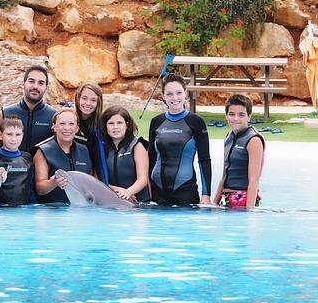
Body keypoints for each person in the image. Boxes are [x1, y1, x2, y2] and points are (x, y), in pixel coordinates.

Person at [148, 73, 212, 206]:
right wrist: (146, 189)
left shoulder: (196, 122)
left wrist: (206, 194)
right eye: (169, 94)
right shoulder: (156, 122)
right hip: (156, 191)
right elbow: (151, 158)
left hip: (185, 191)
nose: (175, 98)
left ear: (185, 93)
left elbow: (204, 160)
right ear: (163, 96)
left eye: (179, 93)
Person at [213, 95, 265, 208]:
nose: (236, 118)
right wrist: (214, 203)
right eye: (231, 114)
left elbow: (254, 179)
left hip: (244, 200)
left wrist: (249, 212)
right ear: (226, 116)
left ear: (249, 117)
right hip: (226, 199)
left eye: (241, 115)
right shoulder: (229, 137)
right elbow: (224, 175)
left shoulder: (253, 140)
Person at [0, 65, 57, 153]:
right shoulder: (5, 113)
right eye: (31, 81)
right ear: (23, 83)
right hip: (11, 166)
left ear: (46, 87)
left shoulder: (54, 116)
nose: (35, 86)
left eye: (41, 83)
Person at [33, 108, 92, 204]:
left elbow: (92, 182)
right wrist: (54, 182)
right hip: (54, 210)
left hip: (82, 209)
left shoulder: (85, 150)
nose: (67, 128)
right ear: (54, 127)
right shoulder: (42, 151)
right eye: (62, 124)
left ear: (77, 128)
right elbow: (39, 189)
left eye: (71, 124)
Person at [98, 105, 150, 204]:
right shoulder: (101, 149)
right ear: (105, 126)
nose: (115, 127)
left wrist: (128, 192)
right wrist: (116, 190)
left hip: (139, 203)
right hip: (112, 201)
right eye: (111, 123)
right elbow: (97, 178)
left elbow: (143, 178)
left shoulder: (137, 146)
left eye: (119, 123)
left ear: (127, 125)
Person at [0, 115, 35, 206]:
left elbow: (31, 185)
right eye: (9, 134)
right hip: (1, 208)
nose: (14, 139)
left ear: (22, 135)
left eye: (18, 134)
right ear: (1, 135)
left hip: (24, 208)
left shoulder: (27, 157)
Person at [73, 81, 106, 181]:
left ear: (98, 102)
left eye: (93, 100)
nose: (88, 103)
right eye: (84, 98)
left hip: (88, 177)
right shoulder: (70, 120)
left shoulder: (100, 127)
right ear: (78, 98)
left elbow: (100, 161)